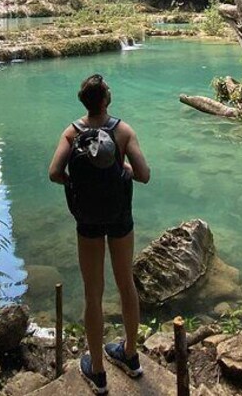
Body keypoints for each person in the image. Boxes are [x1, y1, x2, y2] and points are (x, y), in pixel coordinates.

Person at [48, 74, 151, 394]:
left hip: (88, 221)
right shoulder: (122, 131)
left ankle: (97, 370)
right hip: (120, 217)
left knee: (93, 291)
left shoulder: (71, 132)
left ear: (84, 102)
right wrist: (126, 173)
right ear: (106, 100)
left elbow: (54, 174)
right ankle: (131, 356)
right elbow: (144, 175)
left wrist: (77, 185)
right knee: (126, 285)